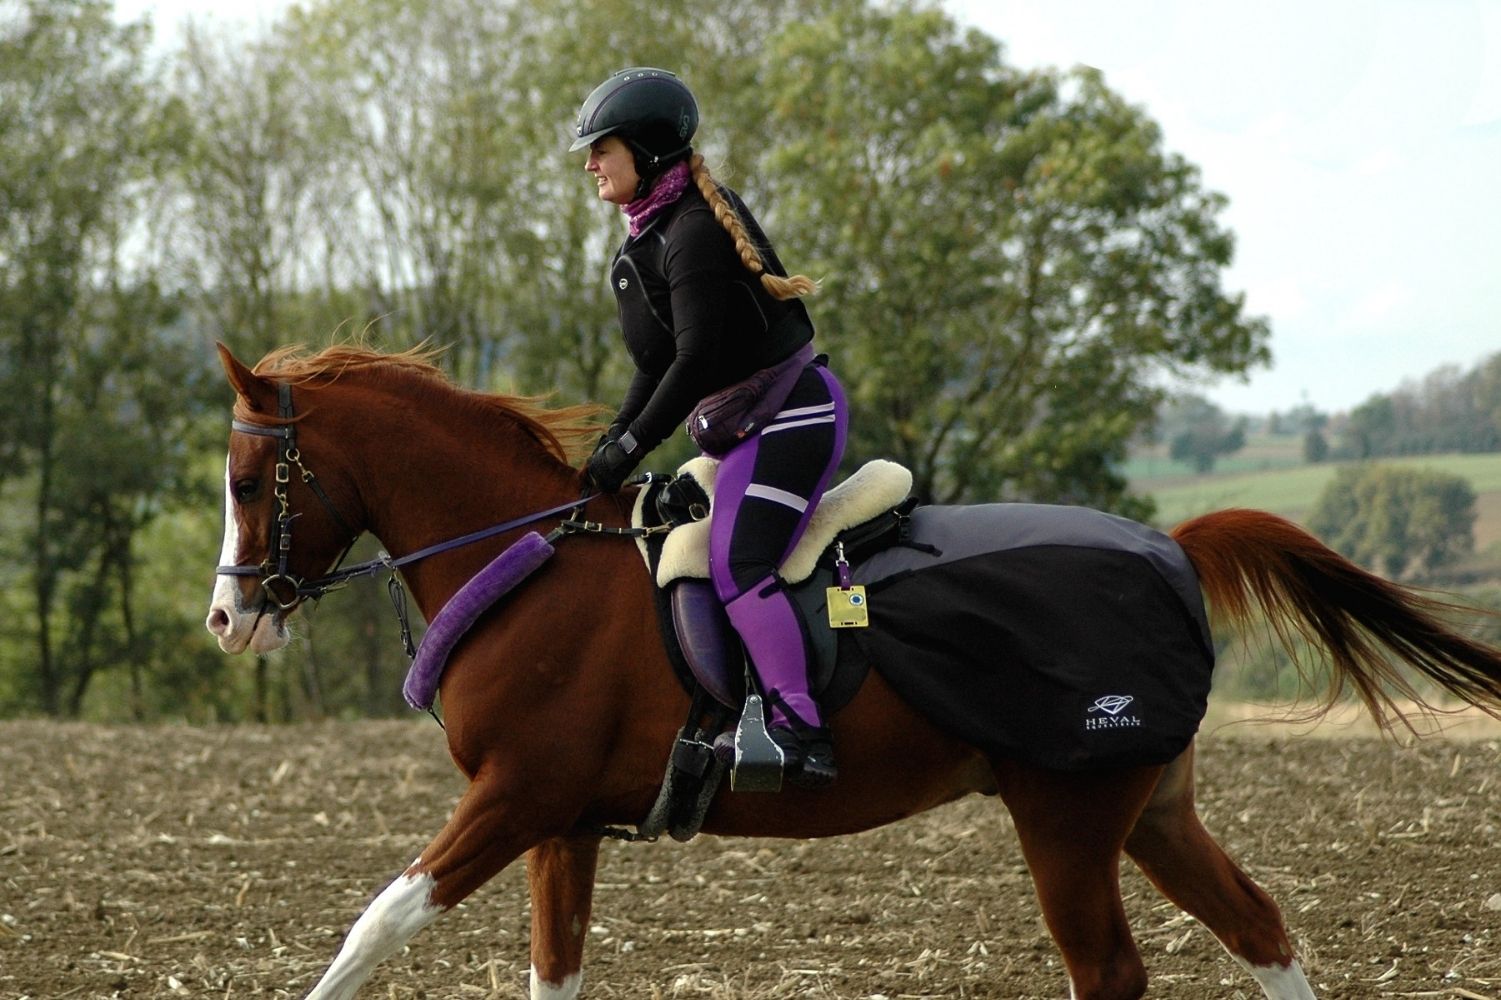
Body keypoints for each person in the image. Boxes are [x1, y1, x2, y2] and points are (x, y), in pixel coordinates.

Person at [572, 67, 849, 788]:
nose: (589, 162)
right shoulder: (646, 242)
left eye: (602, 147)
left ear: (648, 150)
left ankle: (799, 730)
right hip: (748, 429)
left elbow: (694, 362)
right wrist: (610, 445)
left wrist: (633, 445)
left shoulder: (692, 231)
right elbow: (657, 364)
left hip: (795, 417)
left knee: (738, 562)